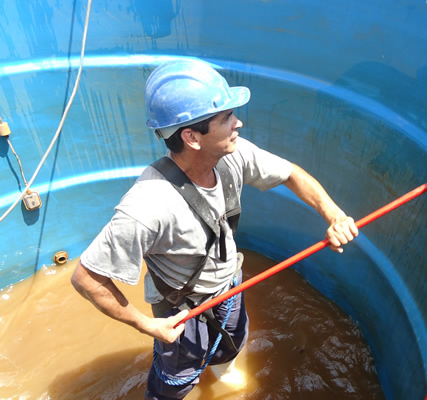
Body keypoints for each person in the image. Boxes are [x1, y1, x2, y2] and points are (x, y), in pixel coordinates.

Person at [70, 58, 358, 400]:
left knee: (231, 344)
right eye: (227, 118)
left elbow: (291, 173)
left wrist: (334, 215)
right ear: (192, 137)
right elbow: (86, 278)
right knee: (175, 381)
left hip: (229, 285)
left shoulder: (234, 155)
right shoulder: (148, 205)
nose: (238, 122)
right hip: (182, 310)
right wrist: (146, 325)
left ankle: (224, 373)